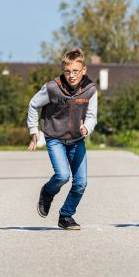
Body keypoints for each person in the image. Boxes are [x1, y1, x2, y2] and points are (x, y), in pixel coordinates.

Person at [27, 48, 98, 230]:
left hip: (76, 139)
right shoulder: (52, 88)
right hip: (55, 138)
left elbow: (92, 116)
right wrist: (34, 129)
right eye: (67, 72)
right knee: (62, 175)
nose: (71, 76)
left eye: (76, 71)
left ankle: (66, 216)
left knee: (81, 183)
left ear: (84, 70)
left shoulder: (90, 90)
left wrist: (86, 128)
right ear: (63, 70)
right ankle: (47, 192)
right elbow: (34, 104)